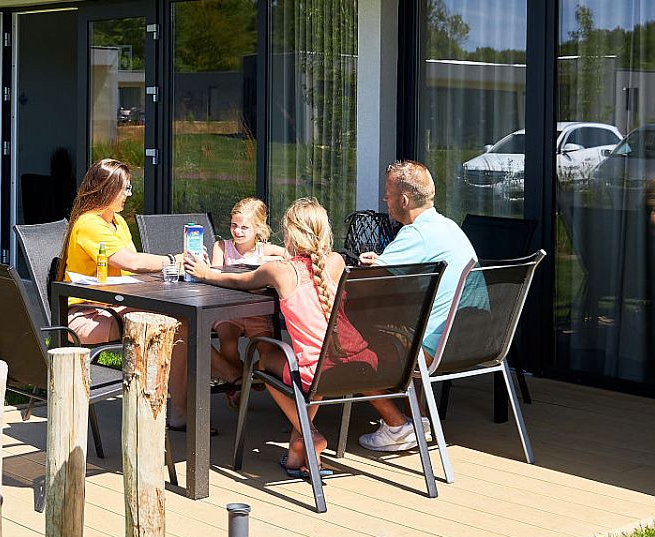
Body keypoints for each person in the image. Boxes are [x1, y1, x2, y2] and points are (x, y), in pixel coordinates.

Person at [186, 198, 375, 475]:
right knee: (312, 371)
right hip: (355, 363)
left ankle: (308, 433)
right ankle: (299, 448)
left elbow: (236, 281)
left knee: (263, 363)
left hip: (315, 369)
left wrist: (205, 273)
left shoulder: (279, 271)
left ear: (289, 233)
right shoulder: (334, 262)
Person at [356, 159, 480, 452]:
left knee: (343, 342)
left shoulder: (416, 234)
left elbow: (362, 286)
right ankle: (419, 418)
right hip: (470, 342)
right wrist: (383, 264)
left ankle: (396, 426)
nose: (384, 199)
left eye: (387, 193)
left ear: (404, 199)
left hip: (430, 349)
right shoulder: (448, 227)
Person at [57, 159, 192, 427]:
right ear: (107, 189)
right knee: (180, 326)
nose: (128, 195)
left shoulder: (117, 221)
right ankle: (179, 409)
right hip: (85, 315)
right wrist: (173, 260)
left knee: (184, 321)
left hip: (114, 305)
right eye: (125, 188)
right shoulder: (88, 224)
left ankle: (229, 377)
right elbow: (130, 262)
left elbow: (133, 268)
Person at [206, 197, 287, 379]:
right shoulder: (221, 247)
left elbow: (292, 256)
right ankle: (234, 384)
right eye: (234, 225)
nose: (237, 231)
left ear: (258, 228)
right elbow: (214, 275)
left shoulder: (264, 250)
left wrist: (276, 261)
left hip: (256, 312)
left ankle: (252, 377)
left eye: (244, 227)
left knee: (268, 350)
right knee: (228, 342)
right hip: (228, 311)